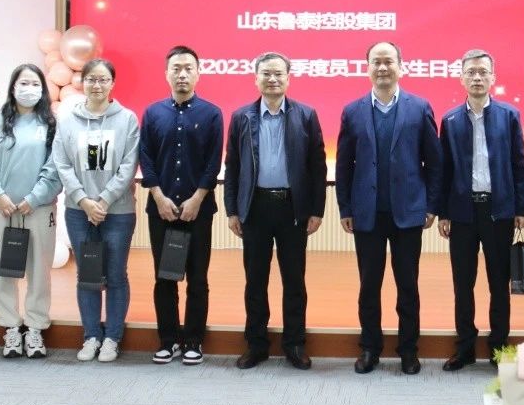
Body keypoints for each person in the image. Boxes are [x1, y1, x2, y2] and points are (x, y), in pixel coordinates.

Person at [336, 41, 441, 375]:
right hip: (367, 213)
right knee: (369, 285)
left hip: (408, 212)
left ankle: (408, 350)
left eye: (388, 61)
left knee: (408, 285)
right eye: (376, 62)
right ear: (367, 67)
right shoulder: (352, 111)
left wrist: (431, 204)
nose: (382, 68)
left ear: (400, 66)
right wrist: (345, 207)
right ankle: (370, 348)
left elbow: (434, 162)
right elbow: (344, 165)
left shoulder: (419, 108)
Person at [224, 52, 327, 370]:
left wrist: (317, 209)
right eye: (266, 74)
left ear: (288, 78)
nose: (272, 79)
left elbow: (317, 166)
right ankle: (256, 344)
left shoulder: (306, 115)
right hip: (254, 208)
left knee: (294, 280)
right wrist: (232, 210)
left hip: (292, 208)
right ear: (255, 78)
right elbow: (233, 166)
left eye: (278, 73)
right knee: (255, 280)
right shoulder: (241, 117)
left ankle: (294, 343)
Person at [437, 49, 524, 370]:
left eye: (483, 72)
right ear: (461, 78)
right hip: (462, 212)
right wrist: (443, 212)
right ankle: (464, 347)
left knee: (498, 284)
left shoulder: (509, 116)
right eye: (471, 73)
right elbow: (444, 171)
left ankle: (498, 347)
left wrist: (521, 207)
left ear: (493, 78)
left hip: (498, 211)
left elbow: (519, 165)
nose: (477, 78)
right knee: (462, 284)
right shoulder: (450, 120)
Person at [138, 46, 222, 366]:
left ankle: (194, 341)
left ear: (198, 73)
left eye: (188, 68)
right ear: (166, 74)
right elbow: (146, 157)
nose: (182, 74)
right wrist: (158, 197)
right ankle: (168, 340)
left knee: (197, 279)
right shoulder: (153, 113)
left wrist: (197, 199)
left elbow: (213, 162)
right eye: (176, 68)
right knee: (165, 277)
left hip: (198, 210)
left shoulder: (212, 113)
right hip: (161, 209)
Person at [0, 64, 62, 359]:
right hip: (1, 209)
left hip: (39, 208)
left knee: (39, 270)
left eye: (35, 84)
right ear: (12, 87)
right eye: (23, 83)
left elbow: (56, 166)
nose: (29, 89)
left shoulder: (51, 124)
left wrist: (35, 197)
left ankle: (35, 327)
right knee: (3, 269)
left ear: (42, 89)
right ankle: (11, 326)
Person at [53, 58, 140, 363]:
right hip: (79, 211)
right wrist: (84, 200)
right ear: (83, 82)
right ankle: (91, 335)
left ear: (112, 84)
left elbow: (129, 165)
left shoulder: (127, 119)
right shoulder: (68, 120)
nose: (97, 85)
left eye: (103, 79)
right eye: (91, 79)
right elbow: (61, 163)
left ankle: (112, 337)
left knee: (116, 273)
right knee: (87, 273)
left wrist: (103, 201)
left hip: (118, 212)